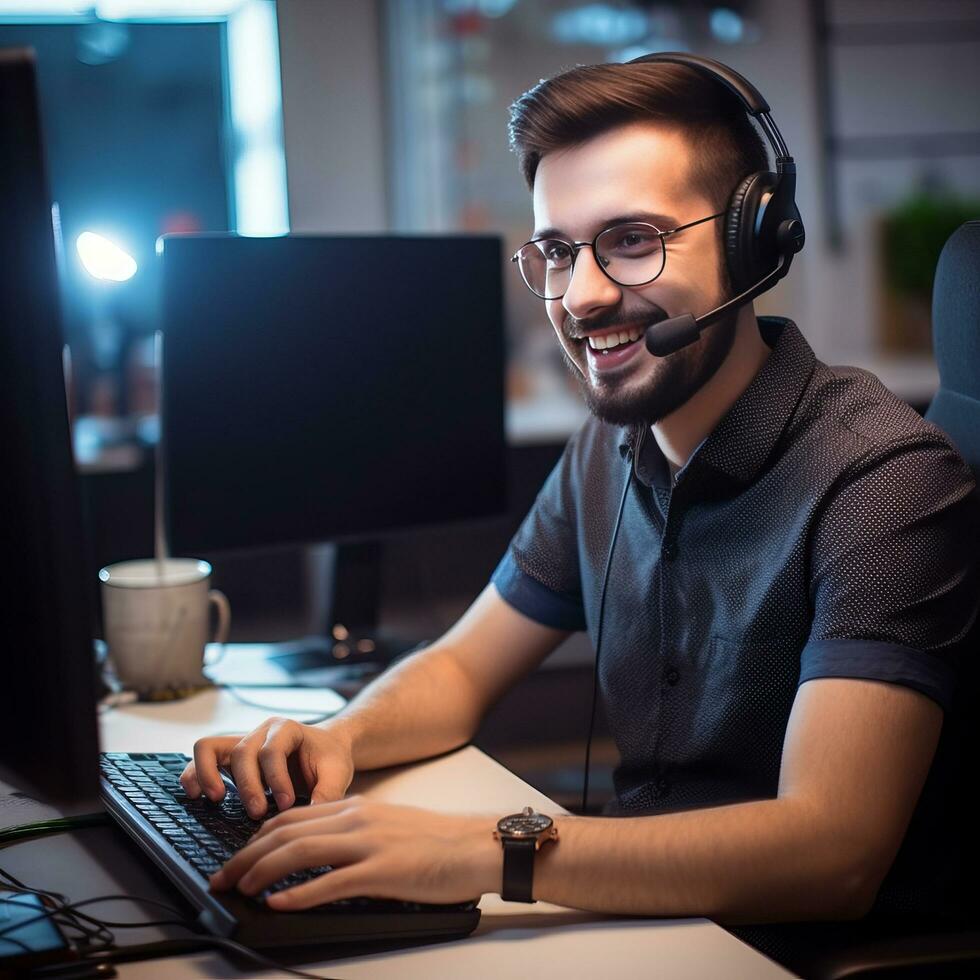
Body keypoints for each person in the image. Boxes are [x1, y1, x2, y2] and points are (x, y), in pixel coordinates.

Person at [182, 57, 978, 967]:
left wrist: (482, 850)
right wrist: (334, 740)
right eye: (558, 251)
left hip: (784, 953)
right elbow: (459, 670)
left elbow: (831, 853)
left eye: (632, 239)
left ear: (752, 244)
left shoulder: (882, 481)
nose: (584, 294)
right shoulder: (614, 443)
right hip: (643, 924)